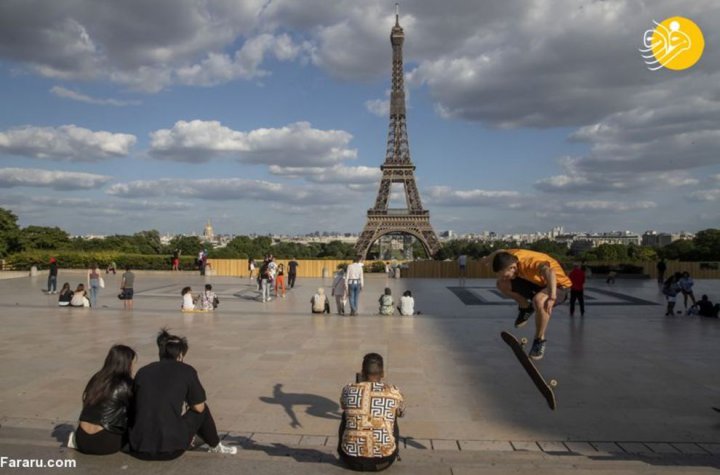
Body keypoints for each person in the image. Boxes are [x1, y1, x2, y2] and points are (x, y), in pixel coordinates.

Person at [129, 329, 237, 459]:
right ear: (180, 355)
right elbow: (199, 407)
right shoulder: (187, 371)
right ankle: (215, 445)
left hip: (138, 447)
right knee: (202, 407)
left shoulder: (143, 371)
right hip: (171, 449)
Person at [481, 249, 572, 360]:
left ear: (512, 267)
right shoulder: (509, 256)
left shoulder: (531, 263)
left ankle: (539, 340)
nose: (504, 277)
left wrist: (552, 297)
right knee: (501, 284)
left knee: (539, 301)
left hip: (557, 286)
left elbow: (550, 272)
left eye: (505, 275)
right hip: (538, 283)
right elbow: (499, 251)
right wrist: (487, 259)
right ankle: (525, 307)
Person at [338, 353, 404, 472]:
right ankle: (394, 450)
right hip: (384, 461)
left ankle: (350, 446)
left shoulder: (348, 389)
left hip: (351, 460)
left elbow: (343, 405)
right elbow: (400, 412)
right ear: (382, 373)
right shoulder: (394, 391)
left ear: (362, 372)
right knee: (392, 414)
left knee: (345, 414)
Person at [68, 345, 136, 455]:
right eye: (131, 362)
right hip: (105, 443)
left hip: (82, 439)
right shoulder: (126, 383)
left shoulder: (97, 378)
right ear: (126, 363)